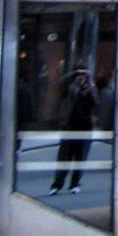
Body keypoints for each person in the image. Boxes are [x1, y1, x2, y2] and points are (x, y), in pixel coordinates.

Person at [49, 62, 97, 194]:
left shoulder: (90, 86)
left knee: (80, 158)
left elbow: (95, 102)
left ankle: (75, 184)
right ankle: (57, 185)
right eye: (79, 74)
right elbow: (61, 84)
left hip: (86, 127)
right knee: (64, 157)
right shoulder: (68, 87)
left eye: (83, 74)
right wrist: (73, 76)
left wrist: (88, 85)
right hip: (69, 126)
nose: (81, 77)